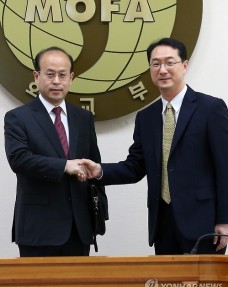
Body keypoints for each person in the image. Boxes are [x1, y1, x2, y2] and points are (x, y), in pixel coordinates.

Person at [82, 38, 228, 255]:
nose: (163, 70)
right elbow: (135, 166)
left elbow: (224, 168)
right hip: (163, 223)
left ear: (184, 65)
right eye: (156, 63)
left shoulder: (211, 109)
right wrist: (100, 171)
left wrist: (224, 221)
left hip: (204, 224)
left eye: (170, 62)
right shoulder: (146, 117)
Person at [4, 46, 108, 257]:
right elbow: (19, 159)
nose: (56, 81)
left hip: (79, 228)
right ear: (36, 76)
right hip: (38, 228)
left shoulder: (83, 118)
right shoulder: (18, 118)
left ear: (71, 78)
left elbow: (93, 164)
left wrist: (100, 212)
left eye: (62, 75)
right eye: (50, 74)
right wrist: (64, 166)